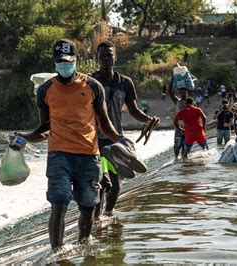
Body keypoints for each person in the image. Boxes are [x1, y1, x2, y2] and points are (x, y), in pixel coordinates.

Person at [15, 39, 128, 251]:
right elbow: (44, 126)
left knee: (87, 206)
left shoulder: (93, 86)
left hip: (88, 155)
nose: (64, 65)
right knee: (59, 203)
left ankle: (84, 244)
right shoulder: (46, 90)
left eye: (68, 61)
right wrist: (24, 137)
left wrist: (119, 140)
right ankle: (58, 253)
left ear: (76, 60)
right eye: (60, 61)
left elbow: (104, 122)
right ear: (54, 62)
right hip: (59, 155)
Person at [91, 41, 159, 220]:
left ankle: (108, 214)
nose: (106, 59)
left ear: (116, 57)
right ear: (97, 59)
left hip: (116, 140)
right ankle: (96, 220)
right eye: (102, 56)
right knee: (101, 183)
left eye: (109, 55)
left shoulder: (125, 83)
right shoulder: (91, 81)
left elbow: (133, 110)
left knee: (116, 185)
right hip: (94, 140)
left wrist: (148, 119)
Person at [169, 80, 190, 159]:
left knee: (185, 147)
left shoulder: (191, 103)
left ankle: (184, 162)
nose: (183, 94)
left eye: (184, 93)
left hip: (188, 128)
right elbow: (170, 92)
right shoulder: (177, 101)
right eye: (181, 93)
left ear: (187, 93)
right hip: (178, 128)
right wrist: (172, 81)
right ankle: (176, 158)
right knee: (177, 144)